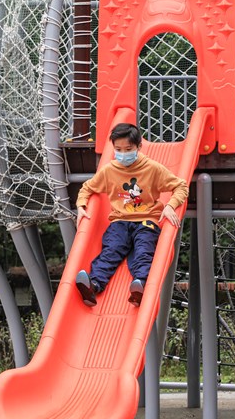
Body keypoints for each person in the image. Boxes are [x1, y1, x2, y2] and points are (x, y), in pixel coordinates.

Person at [74, 123, 188, 307]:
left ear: (138, 147)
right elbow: (87, 188)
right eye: (118, 149)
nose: (123, 154)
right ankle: (94, 285)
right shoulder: (109, 171)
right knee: (111, 250)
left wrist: (170, 206)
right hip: (120, 221)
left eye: (128, 149)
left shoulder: (152, 168)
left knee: (143, 251)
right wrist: (80, 206)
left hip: (147, 220)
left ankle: (140, 286)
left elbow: (181, 186)